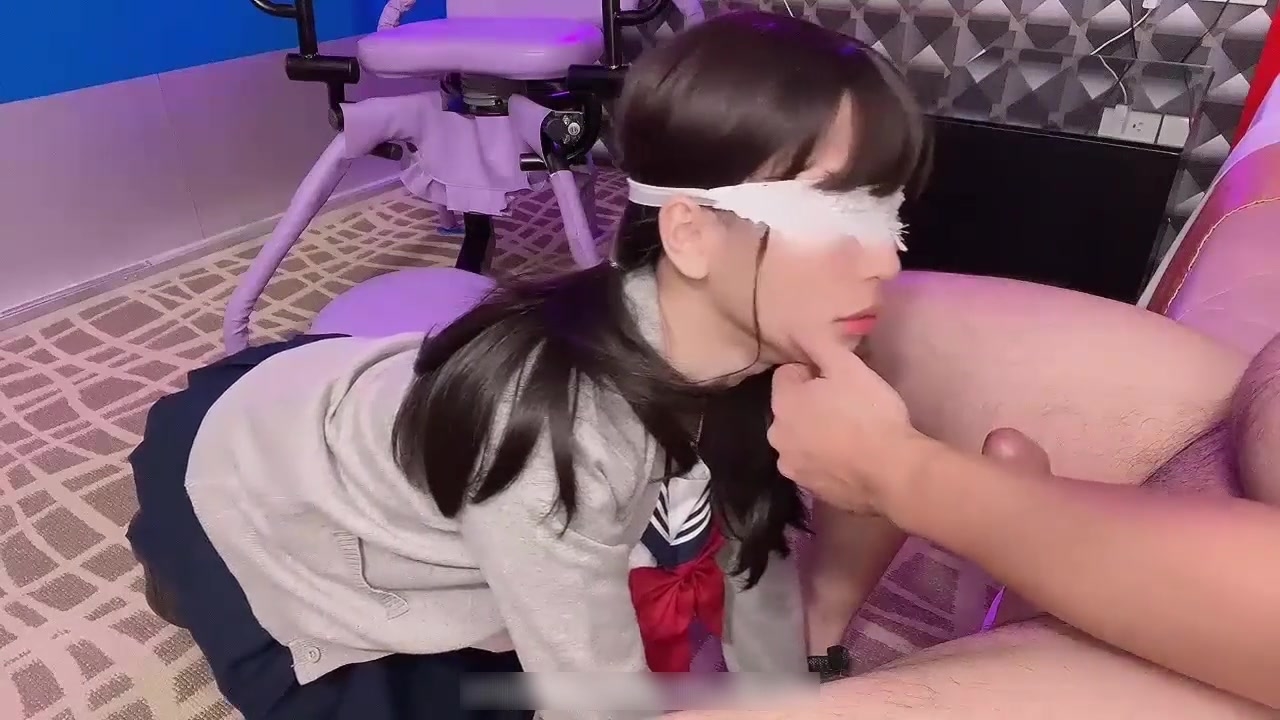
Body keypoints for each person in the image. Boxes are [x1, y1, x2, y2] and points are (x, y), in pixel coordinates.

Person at [124, 12, 929, 720]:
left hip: (389, 414)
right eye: (835, 216)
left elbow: (755, 553)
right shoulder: (559, 436)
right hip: (253, 479)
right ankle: (188, 574)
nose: (885, 263)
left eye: (888, 215)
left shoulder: (752, 359)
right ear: (688, 233)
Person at [765, 320, 1280, 711]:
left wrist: (900, 470)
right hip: (1225, 430)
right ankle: (824, 630)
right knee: (863, 327)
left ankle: (1028, 581)